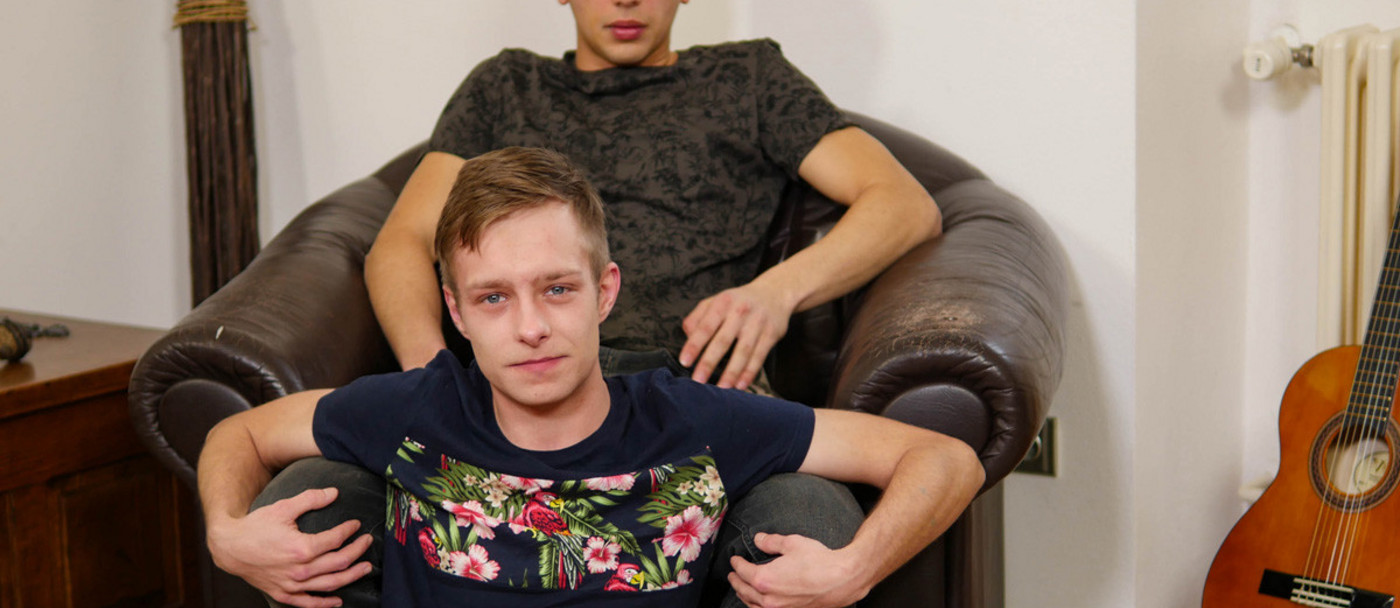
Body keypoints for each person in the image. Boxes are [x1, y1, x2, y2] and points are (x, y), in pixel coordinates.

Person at [200, 148, 982, 608]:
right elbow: (240, 433)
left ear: (605, 292)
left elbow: (944, 458)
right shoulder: (412, 410)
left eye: (557, 289)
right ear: (456, 312)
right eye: (494, 298)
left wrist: (853, 570)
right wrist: (226, 532)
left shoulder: (695, 422)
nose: (531, 327)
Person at [364, 0, 941, 390]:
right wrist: (430, 377)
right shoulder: (504, 88)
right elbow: (402, 242)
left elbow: (904, 204)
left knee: (814, 515)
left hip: (688, 388)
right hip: (524, 388)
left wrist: (777, 293)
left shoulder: (748, 78)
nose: (626, 0)